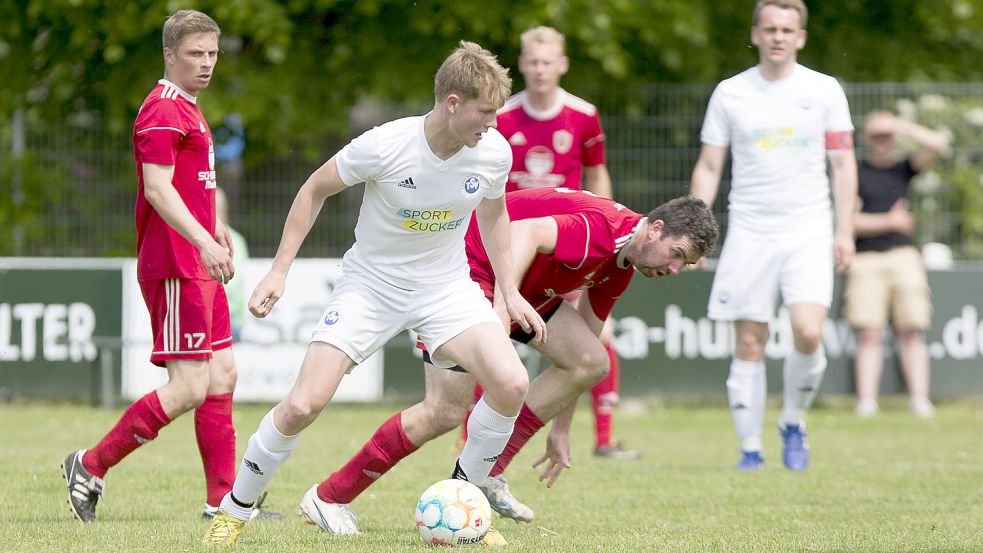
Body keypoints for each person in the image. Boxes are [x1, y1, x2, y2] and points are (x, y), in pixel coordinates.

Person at [202, 41, 546, 545]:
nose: (493, 124)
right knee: (303, 405)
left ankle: (465, 505)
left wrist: (509, 290)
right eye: (485, 112)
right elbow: (313, 190)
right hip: (371, 286)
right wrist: (278, 272)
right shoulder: (385, 145)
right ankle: (234, 509)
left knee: (512, 383)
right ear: (453, 103)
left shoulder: (492, 152)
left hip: (446, 287)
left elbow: (495, 215)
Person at [303, 188, 717, 535]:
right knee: (444, 410)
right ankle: (329, 497)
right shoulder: (603, 230)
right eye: (676, 254)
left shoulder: (621, 263)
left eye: (686, 264)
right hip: (463, 272)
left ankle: (481, 480)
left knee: (591, 361)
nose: (677, 269)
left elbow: (580, 354)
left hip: (522, 292)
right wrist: (502, 312)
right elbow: (525, 231)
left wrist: (561, 428)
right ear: (656, 229)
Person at [62, 10, 278, 522]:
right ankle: (89, 465)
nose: (206, 64)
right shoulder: (161, 111)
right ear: (169, 54)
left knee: (223, 375)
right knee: (188, 388)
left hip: (201, 260)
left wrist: (214, 227)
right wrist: (204, 239)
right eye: (194, 54)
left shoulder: (189, 109)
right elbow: (157, 189)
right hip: (176, 264)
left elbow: (186, 185)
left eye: (211, 54)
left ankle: (222, 503)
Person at [689, 0, 858, 471]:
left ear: (800, 37)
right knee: (749, 341)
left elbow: (843, 165)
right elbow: (709, 165)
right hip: (750, 228)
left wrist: (844, 229)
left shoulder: (824, 90)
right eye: (770, 28)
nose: (778, 36)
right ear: (756, 34)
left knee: (808, 331)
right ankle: (750, 450)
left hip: (808, 227)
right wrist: (696, 231)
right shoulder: (730, 92)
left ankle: (793, 421)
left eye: (787, 29)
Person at [467, 25, 636, 460]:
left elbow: (597, 176)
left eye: (548, 62)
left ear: (562, 65)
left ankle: (604, 438)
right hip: (515, 243)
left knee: (597, 340)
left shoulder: (583, 115)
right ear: (522, 65)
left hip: (574, 244)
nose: (540, 70)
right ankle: (475, 436)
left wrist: (608, 222)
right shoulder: (501, 116)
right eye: (533, 62)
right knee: (490, 330)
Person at [845, 111, 948, 418]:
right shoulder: (855, 173)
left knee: (911, 329)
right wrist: (889, 221)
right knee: (869, 332)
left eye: (887, 136)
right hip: (865, 260)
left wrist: (899, 125)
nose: (883, 141)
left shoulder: (904, 169)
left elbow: (938, 144)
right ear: (866, 138)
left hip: (904, 257)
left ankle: (919, 399)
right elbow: (849, 221)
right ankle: (867, 402)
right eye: (877, 135)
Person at [215, 187, 250, 342]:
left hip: (226, 316)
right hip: (231, 318)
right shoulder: (237, 238)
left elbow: (233, 281)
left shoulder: (232, 240)